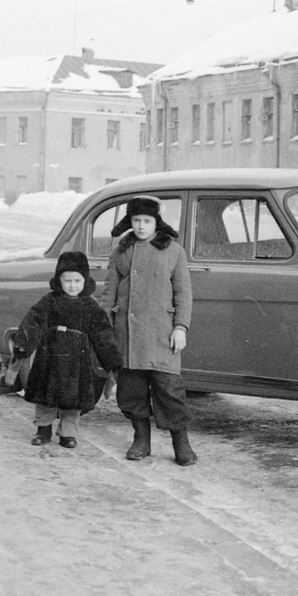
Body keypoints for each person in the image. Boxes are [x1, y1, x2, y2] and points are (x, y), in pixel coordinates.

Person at [100, 196, 198, 466]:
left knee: (169, 391)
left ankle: (182, 444)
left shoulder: (173, 251)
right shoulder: (121, 250)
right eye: (136, 221)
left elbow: (183, 294)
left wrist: (180, 327)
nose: (141, 227)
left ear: (157, 222)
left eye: (147, 221)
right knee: (132, 392)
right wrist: (106, 329)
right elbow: (109, 292)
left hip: (162, 334)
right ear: (129, 222)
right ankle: (141, 440)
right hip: (127, 335)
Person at [13, 251, 123, 448]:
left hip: (77, 363)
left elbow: (102, 334)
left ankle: (68, 433)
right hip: (50, 358)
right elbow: (33, 322)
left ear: (85, 280)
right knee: (45, 398)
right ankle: (43, 429)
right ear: (59, 281)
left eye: (77, 280)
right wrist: (24, 344)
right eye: (67, 280)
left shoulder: (90, 306)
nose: (72, 285)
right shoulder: (49, 301)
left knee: (73, 401)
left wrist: (112, 360)